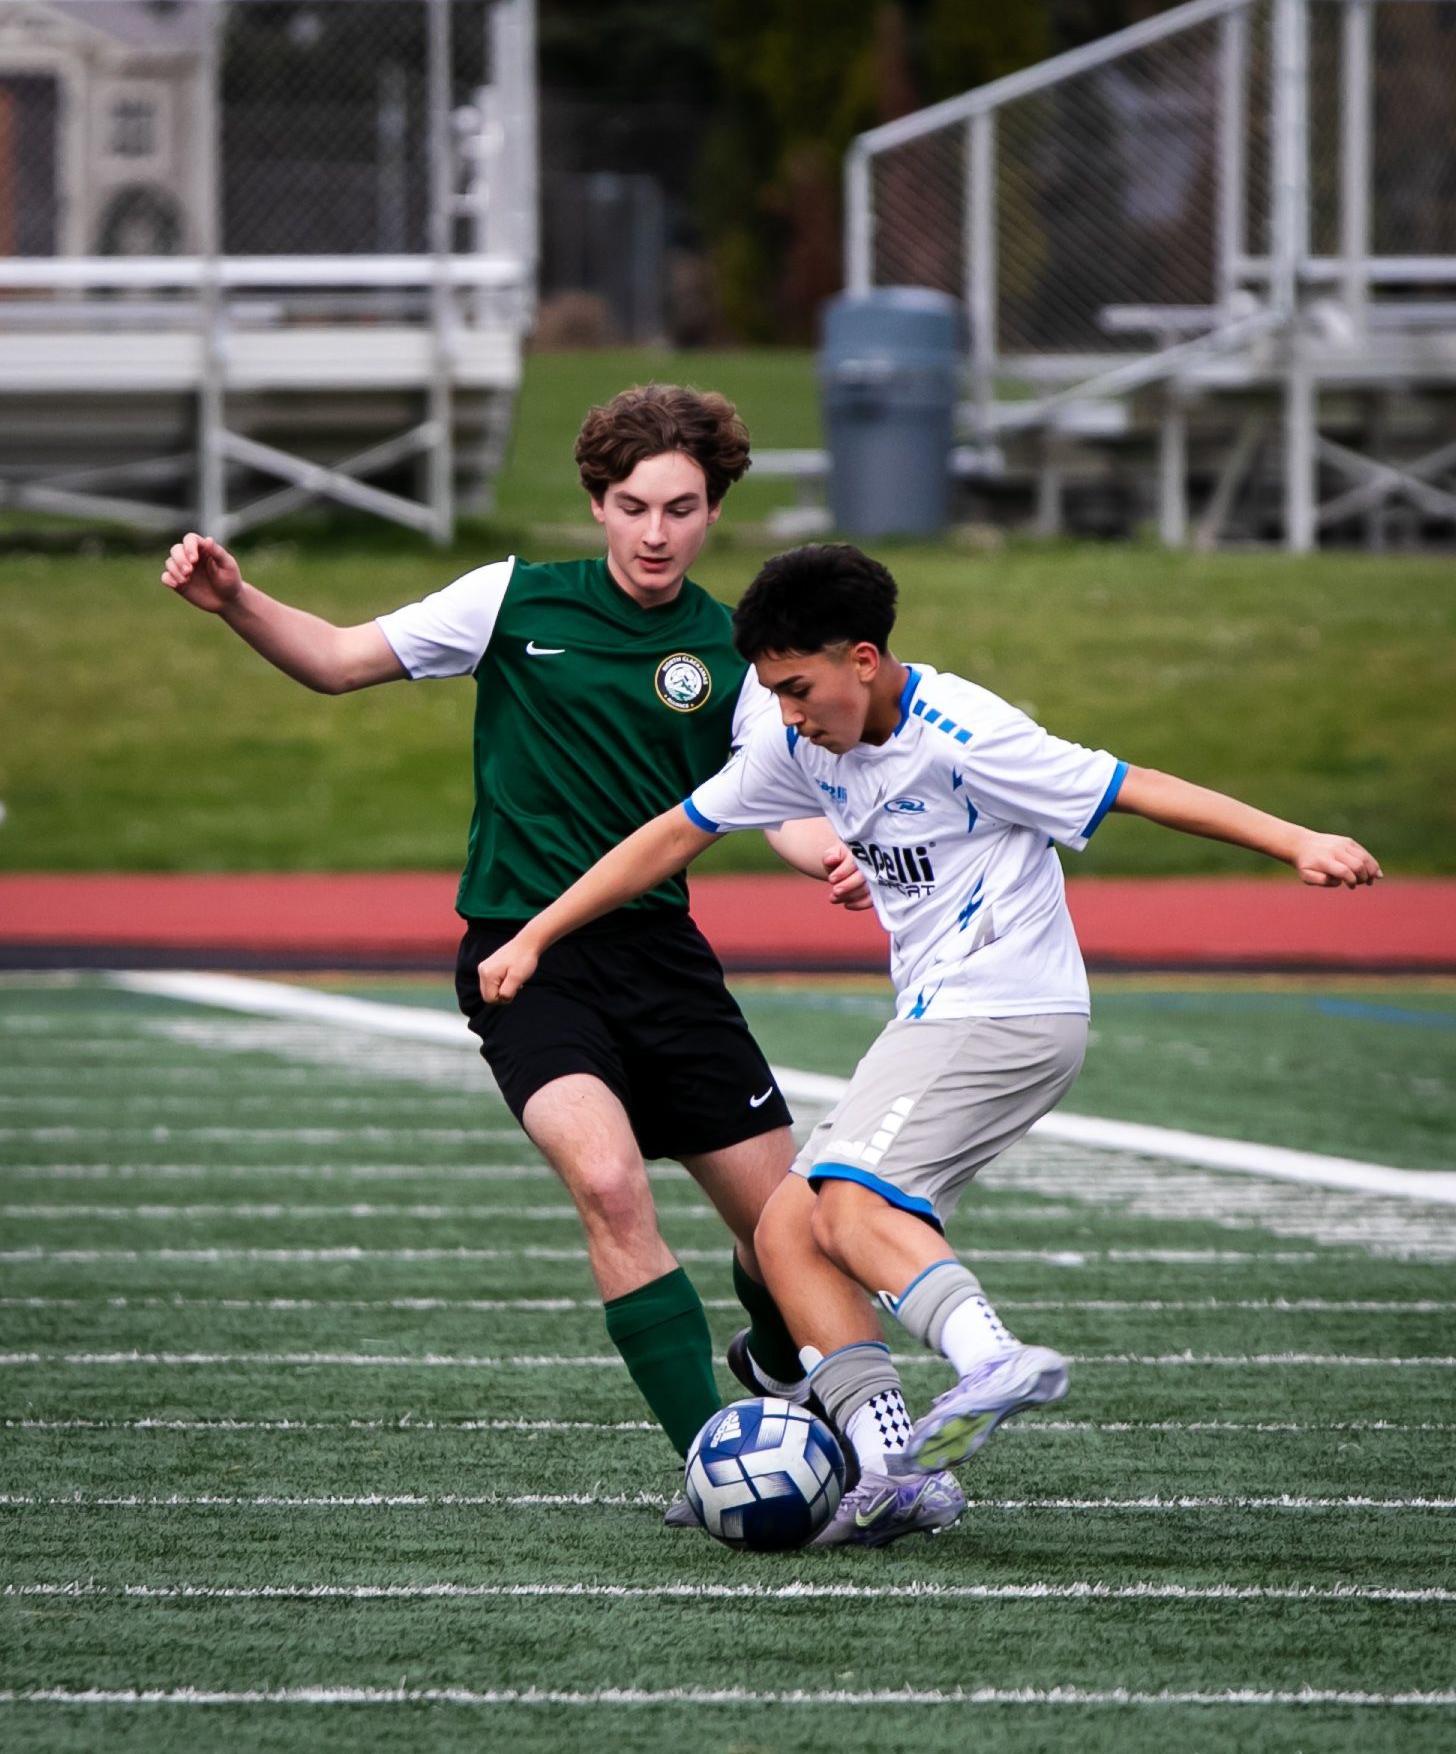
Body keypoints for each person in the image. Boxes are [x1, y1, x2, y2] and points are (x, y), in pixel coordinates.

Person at [477, 541, 1383, 1539]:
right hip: (941, 1015)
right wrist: (537, 933)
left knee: (849, 1206)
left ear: (863, 659)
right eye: (771, 693)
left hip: (1003, 1007)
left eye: (797, 688)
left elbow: (1134, 785)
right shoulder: (799, 742)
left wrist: (1297, 840)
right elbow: (675, 832)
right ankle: (890, 1470)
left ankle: (990, 1357)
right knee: (786, 1232)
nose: (785, 713)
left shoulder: (966, 735)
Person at [160, 388, 937, 1536]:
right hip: (523, 958)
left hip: (661, 961)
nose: (656, 533)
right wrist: (236, 600)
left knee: (787, 1228)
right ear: (597, 504)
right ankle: (714, 1466)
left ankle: (779, 1365)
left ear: (714, 511)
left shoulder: (733, 655)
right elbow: (335, 659)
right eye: (633, 506)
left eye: (681, 508)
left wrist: (832, 850)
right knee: (610, 1185)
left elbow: (769, 801)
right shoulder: (511, 600)